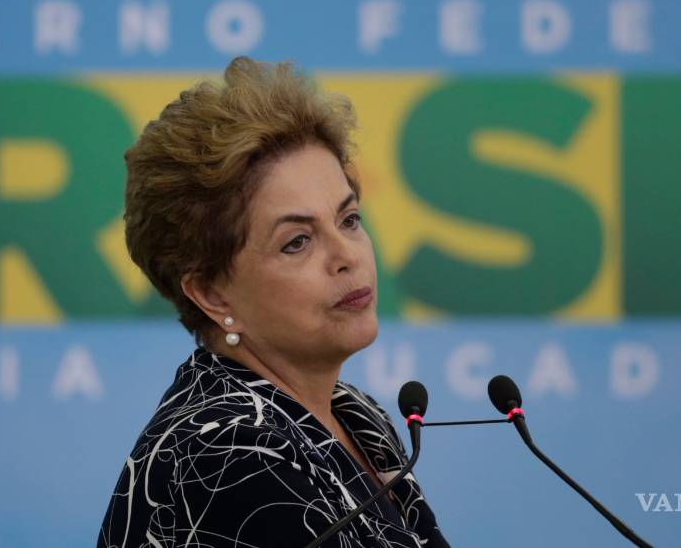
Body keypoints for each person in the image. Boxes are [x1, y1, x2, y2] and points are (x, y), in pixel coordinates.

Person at [97, 57, 450, 548]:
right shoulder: (227, 454)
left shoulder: (356, 415)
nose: (347, 256)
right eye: (297, 242)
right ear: (211, 293)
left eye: (349, 220)